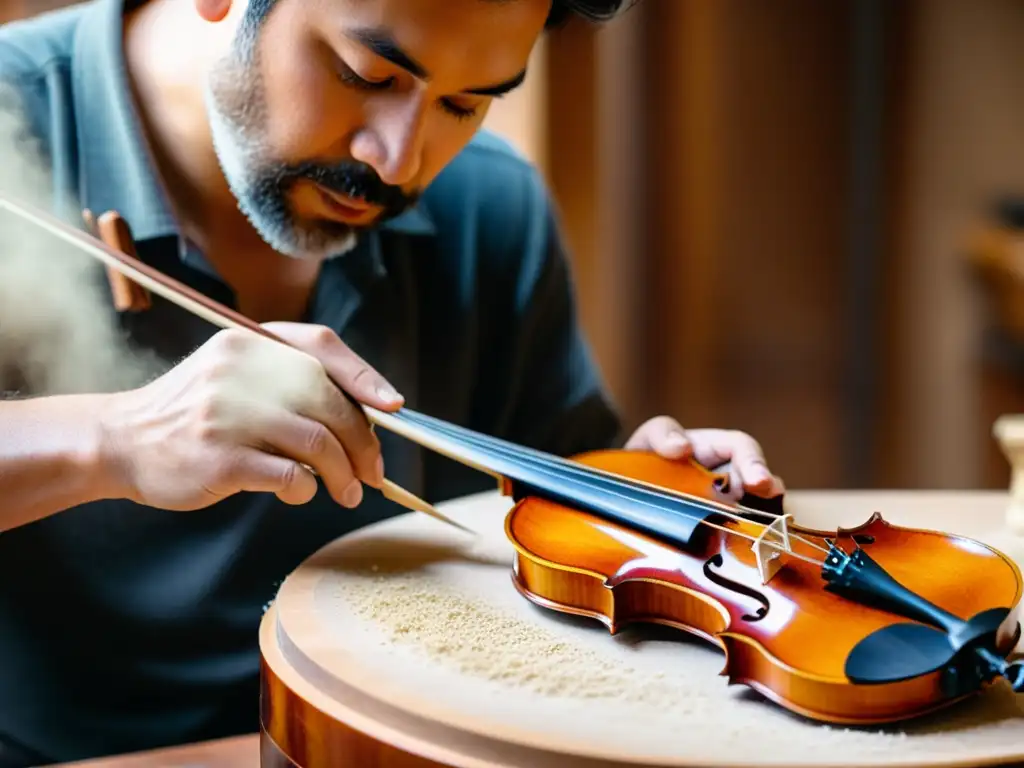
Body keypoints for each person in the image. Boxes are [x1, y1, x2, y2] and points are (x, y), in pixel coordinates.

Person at [0, 0, 786, 763]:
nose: (400, 160)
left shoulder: (487, 202)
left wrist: (639, 498)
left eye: (465, 104)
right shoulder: (15, 123)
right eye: (366, 75)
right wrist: (114, 440)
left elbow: (542, 519)